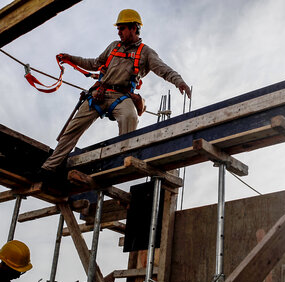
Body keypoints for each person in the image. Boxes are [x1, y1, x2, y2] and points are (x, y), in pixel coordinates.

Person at [38, 9, 191, 181]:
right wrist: (71, 58)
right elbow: (95, 63)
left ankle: (122, 160)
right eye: (118, 29)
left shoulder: (146, 52)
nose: (119, 32)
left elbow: (163, 69)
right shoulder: (113, 46)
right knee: (73, 128)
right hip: (99, 94)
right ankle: (49, 168)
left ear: (134, 28)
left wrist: (179, 82)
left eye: (122, 28)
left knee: (130, 116)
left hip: (121, 97)